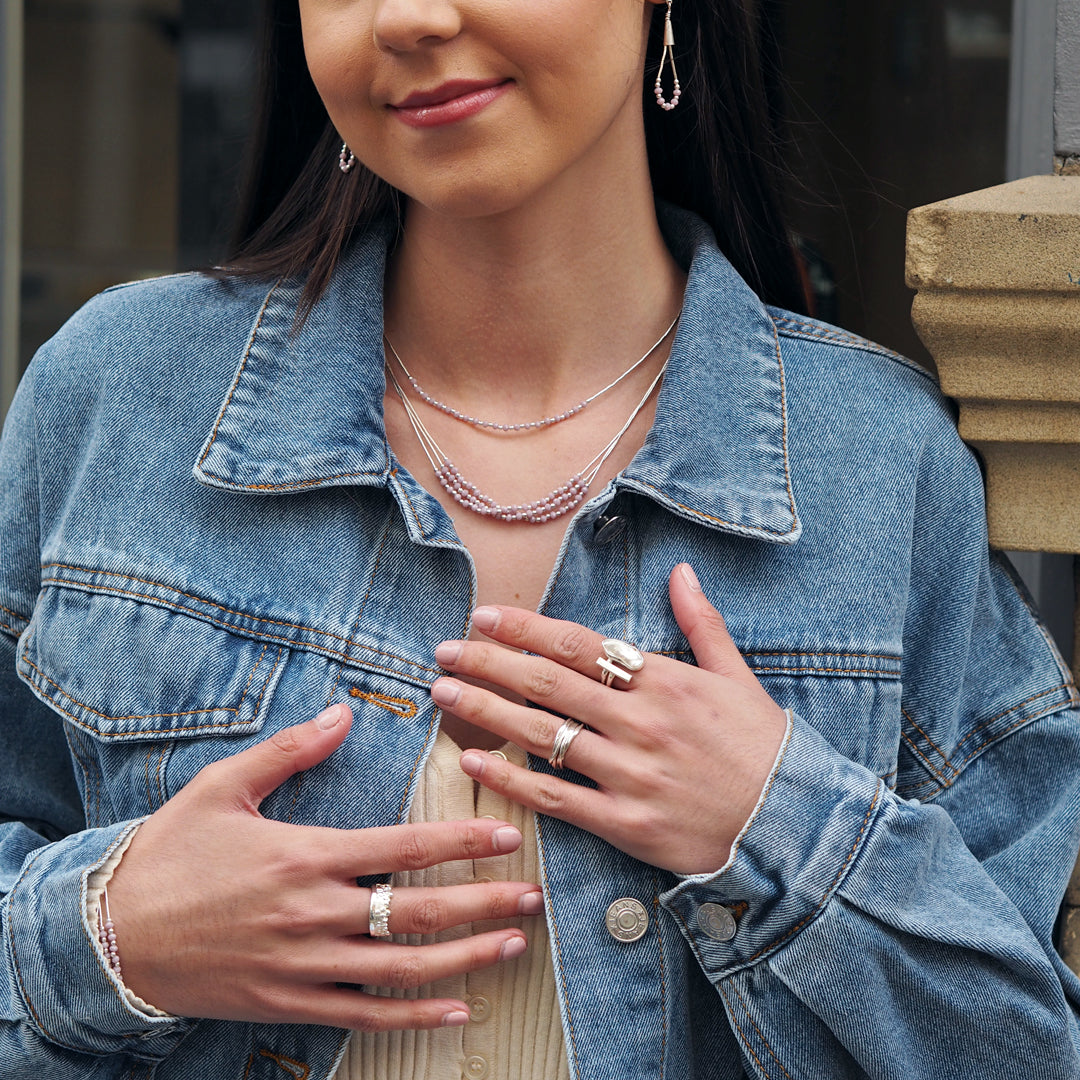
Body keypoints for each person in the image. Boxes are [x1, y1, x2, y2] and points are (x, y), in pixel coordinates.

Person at [1, 0, 1079, 1077]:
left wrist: (776, 822)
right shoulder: (118, 397)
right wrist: (108, 936)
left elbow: (1026, 1047)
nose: (409, 17)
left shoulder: (878, 469)